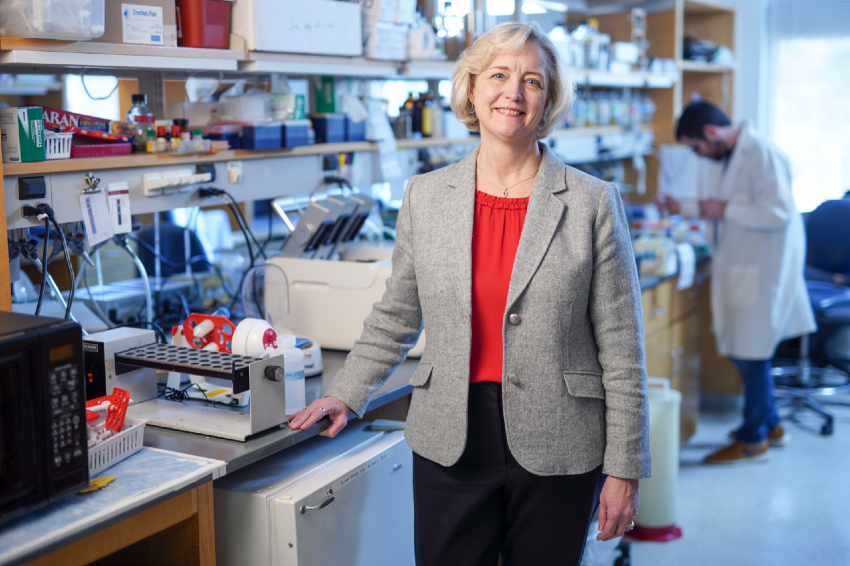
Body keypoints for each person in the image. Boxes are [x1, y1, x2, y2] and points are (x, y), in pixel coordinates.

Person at [288, 22, 651, 565]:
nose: (513, 92)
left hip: (560, 438)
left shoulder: (591, 202)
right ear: (472, 88)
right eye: (499, 76)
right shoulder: (427, 196)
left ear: (547, 98)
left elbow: (623, 349)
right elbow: (396, 315)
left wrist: (624, 467)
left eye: (532, 80)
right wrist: (344, 393)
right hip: (450, 435)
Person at [662, 101, 816, 464]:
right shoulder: (730, 156)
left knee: (751, 356)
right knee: (745, 351)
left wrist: (724, 210)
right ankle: (772, 425)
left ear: (711, 133)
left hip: (762, 271)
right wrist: (682, 207)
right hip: (745, 266)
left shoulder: (761, 153)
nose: (698, 155)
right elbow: (723, 207)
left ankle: (752, 438)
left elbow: (777, 213)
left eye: (696, 147)